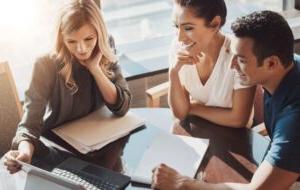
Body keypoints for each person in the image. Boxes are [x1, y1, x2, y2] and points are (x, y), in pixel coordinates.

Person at [152, 10, 300, 189]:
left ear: (271, 63)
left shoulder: (293, 121)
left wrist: (183, 183)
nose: (232, 65)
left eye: (242, 60)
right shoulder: (288, 66)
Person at [3, 0, 131, 174]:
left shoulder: (106, 44)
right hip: (59, 153)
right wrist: (25, 154)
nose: (82, 49)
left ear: (99, 34)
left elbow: (122, 106)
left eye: (89, 39)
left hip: (102, 147)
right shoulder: (45, 64)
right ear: (62, 37)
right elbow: (29, 124)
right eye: (71, 41)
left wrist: (95, 69)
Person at [168, 0, 255, 128]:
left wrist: (193, 107)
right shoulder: (178, 48)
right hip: (199, 133)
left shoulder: (238, 55)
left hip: (235, 139)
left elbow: (239, 119)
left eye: (188, 28)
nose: (180, 38)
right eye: (177, 26)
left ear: (215, 24)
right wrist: (173, 72)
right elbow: (180, 113)